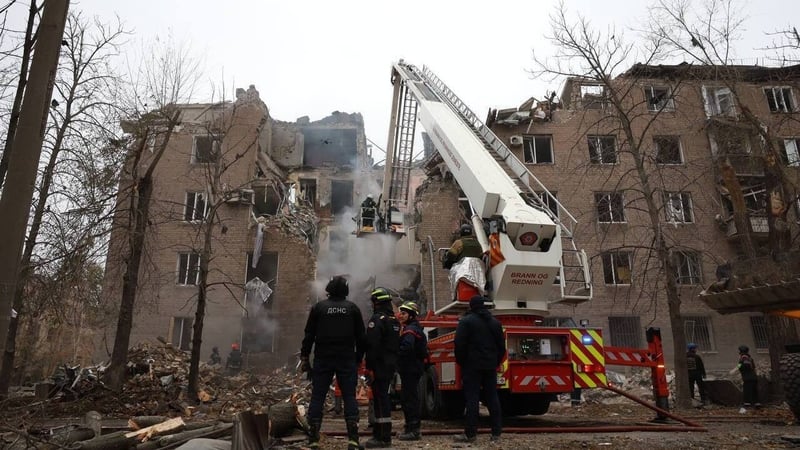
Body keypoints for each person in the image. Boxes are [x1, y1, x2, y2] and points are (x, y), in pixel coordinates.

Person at [300, 276, 367, 450]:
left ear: (328, 289)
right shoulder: (352, 309)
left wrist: (305, 357)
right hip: (346, 359)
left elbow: (309, 335)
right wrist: (358, 359)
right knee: (349, 397)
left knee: (318, 397)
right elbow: (361, 338)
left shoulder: (319, 308)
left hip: (323, 358)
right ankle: (353, 441)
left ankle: (313, 440)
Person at [453, 295, 505, 443]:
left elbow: (459, 344)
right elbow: (501, 346)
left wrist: (462, 362)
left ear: (471, 306)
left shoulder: (466, 322)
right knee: (492, 398)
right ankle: (496, 433)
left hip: (472, 366)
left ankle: (470, 434)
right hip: (490, 365)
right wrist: (495, 361)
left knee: (472, 399)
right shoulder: (495, 323)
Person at [363, 287, 400, 448]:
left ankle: (382, 437)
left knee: (379, 400)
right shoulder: (394, 321)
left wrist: (368, 367)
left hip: (378, 366)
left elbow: (372, 346)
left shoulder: (377, 320)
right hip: (390, 366)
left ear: (376, 302)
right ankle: (383, 435)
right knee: (383, 399)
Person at [397, 301, 428, 441]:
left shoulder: (410, 330)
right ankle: (410, 428)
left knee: (409, 400)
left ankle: (413, 430)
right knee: (408, 398)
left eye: (404, 313)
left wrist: (395, 355)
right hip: (412, 369)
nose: (401, 315)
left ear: (411, 315)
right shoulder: (414, 328)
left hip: (410, 369)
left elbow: (407, 348)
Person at [443, 224, 486, 303]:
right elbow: (480, 255)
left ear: (461, 233)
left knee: (453, 272)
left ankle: (456, 295)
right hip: (477, 272)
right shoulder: (477, 243)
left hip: (463, 271)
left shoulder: (459, 243)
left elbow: (451, 256)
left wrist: (447, 263)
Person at [735, 345, 759, 410]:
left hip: (748, 378)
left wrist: (738, 368)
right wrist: (737, 367)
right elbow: (753, 367)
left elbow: (745, 366)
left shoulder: (744, 358)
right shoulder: (750, 358)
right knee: (754, 391)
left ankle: (747, 404)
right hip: (753, 377)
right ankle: (757, 403)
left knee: (747, 391)